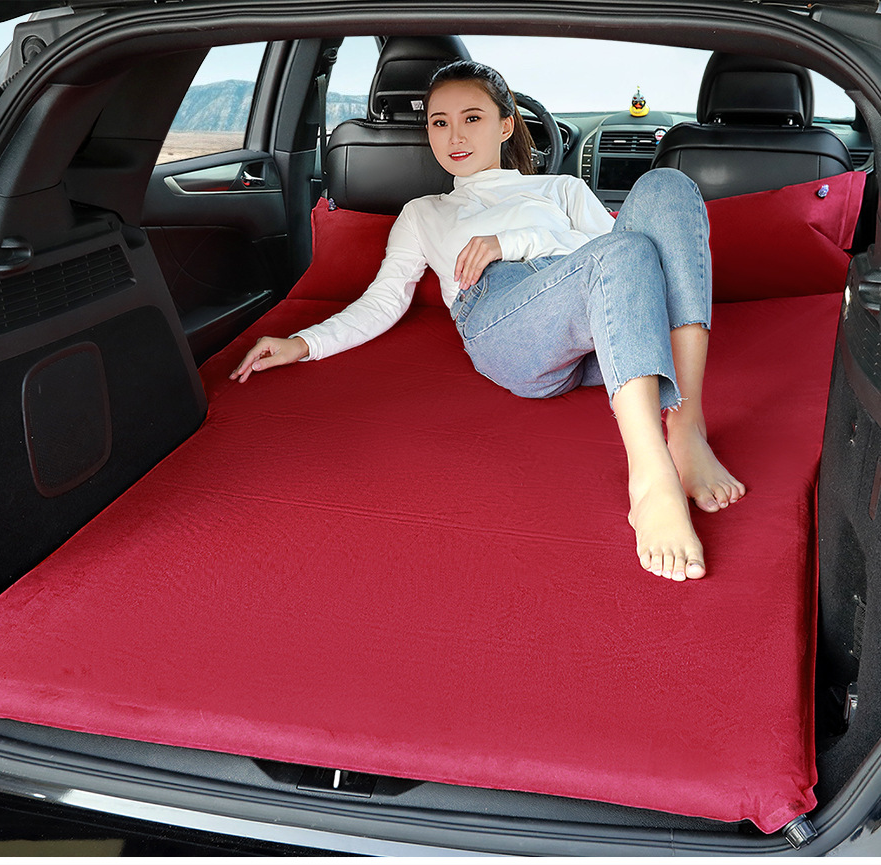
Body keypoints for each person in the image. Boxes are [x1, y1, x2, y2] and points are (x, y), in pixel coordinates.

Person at [231, 60, 746, 582]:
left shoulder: (562, 190)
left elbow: (618, 261)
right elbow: (383, 300)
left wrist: (513, 241)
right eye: (439, 122)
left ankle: (686, 427)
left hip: (605, 332)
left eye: (472, 118)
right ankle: (651, 477)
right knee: (623, 251)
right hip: (505, 322)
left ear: (505, 125)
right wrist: (304, 343)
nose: (454, 136)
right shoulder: (425, 212)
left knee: (666, 185)